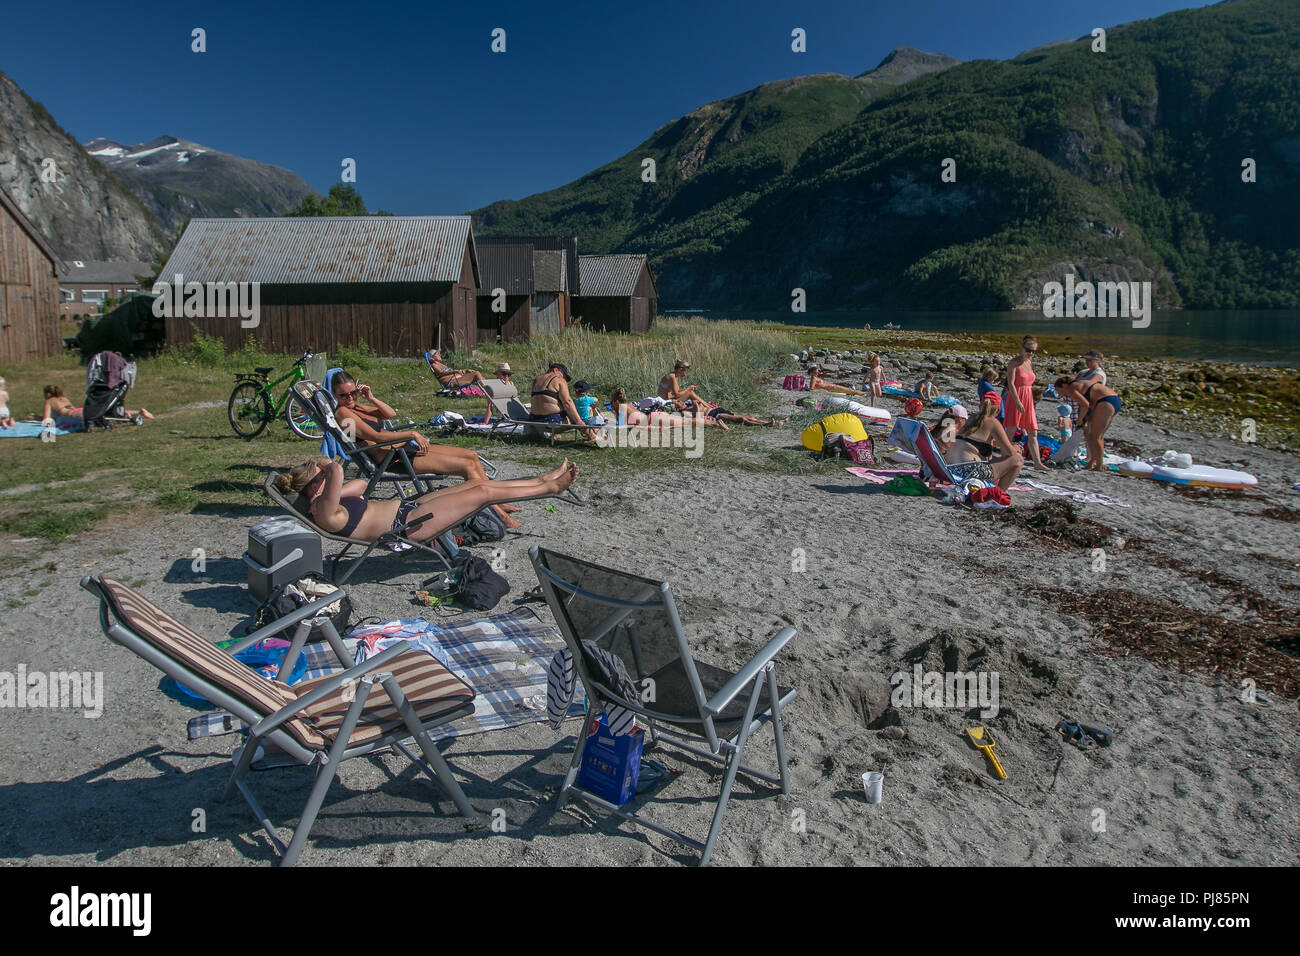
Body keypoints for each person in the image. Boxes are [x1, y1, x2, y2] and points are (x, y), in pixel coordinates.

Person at [330, 371, 520, 528]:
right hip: (394, 458)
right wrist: (411, 434)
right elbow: (376, 437)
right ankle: (499, 515)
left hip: (403, 450)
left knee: (471, 456)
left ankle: (496, 502)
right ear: (334, 395)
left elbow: (390, 414)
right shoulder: (344, 416)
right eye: (343, 395)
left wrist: (371, 398)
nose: (349, 398)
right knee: (466, 467)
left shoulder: (357, 407)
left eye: (352, 392)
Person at [276, 457, 578, 543]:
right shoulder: (323, 512)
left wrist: (330, 484)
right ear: (316, 485)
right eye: (324, 478)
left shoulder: (330, 500)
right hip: (406, 527)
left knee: (477, 482)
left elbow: (358, 484)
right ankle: (550, 490)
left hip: (411, 510)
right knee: (483, 495)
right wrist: (329, 468)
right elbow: (340, 471)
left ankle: (543, 480)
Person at [940, 393, 1024, 491]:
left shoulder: (972, 418)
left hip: (950, 470)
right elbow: (1009, 453)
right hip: (968, 472)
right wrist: (1016, 448)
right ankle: (998, 494)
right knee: (1018, 459)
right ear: (998, 410)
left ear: (981, 405)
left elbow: (975, 440)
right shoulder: (993, 422)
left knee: (991, 460)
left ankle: (995, 493)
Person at [1054, 377, 1122, 471]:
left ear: (1064, 385)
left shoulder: (1071, 389)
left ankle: (1099, 464)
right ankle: (1092, 462)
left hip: (1106, 401)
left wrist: (1080, 419)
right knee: (1092, 435)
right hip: (1111, 399)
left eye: (1059, 390)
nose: (1060, 394)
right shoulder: (1079, 384)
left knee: (1096, 436)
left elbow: (1085, 404)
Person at [1003, 336, 1047, 470]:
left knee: (1033, 430)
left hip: (1028, 396)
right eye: (1028, 350)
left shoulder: (1029, 362)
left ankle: (1037, 463)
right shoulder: (1014, 363)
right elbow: (1010, 384)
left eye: (1033, 351)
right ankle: (1005, 458)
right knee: (1011, 429)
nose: (1031, 353)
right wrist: (1017, 401)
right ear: (1022, 348)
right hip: (1016, 396)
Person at [530, 363, 595, 439]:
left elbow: (541, 400)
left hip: (534, 420)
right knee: (577, 417)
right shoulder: (559, 380)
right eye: (564, 375)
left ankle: (554, 435)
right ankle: (593, 437)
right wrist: (579, 421)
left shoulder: (536, 380)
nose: (564, 379)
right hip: (552, 421)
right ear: (555, 370)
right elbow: (567, 402)